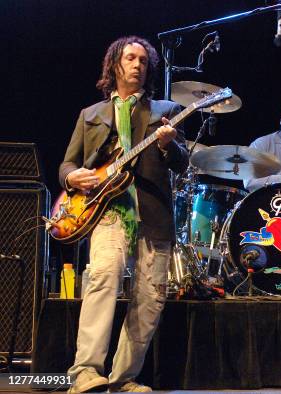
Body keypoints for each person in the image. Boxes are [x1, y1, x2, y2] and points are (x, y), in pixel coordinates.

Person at [60, 36, 188, 393]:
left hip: (154, 212)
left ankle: (123, 379)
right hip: (107, 209)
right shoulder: (91, 115)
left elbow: (182, 162)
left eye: (143, 61)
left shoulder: (166, 110)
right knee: (104, 276)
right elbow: (67, 163)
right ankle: (84, 372)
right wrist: (71, 176)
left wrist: (168, 145)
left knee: (150, 298)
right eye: (130, 58)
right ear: (115, 64)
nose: (137, 65)